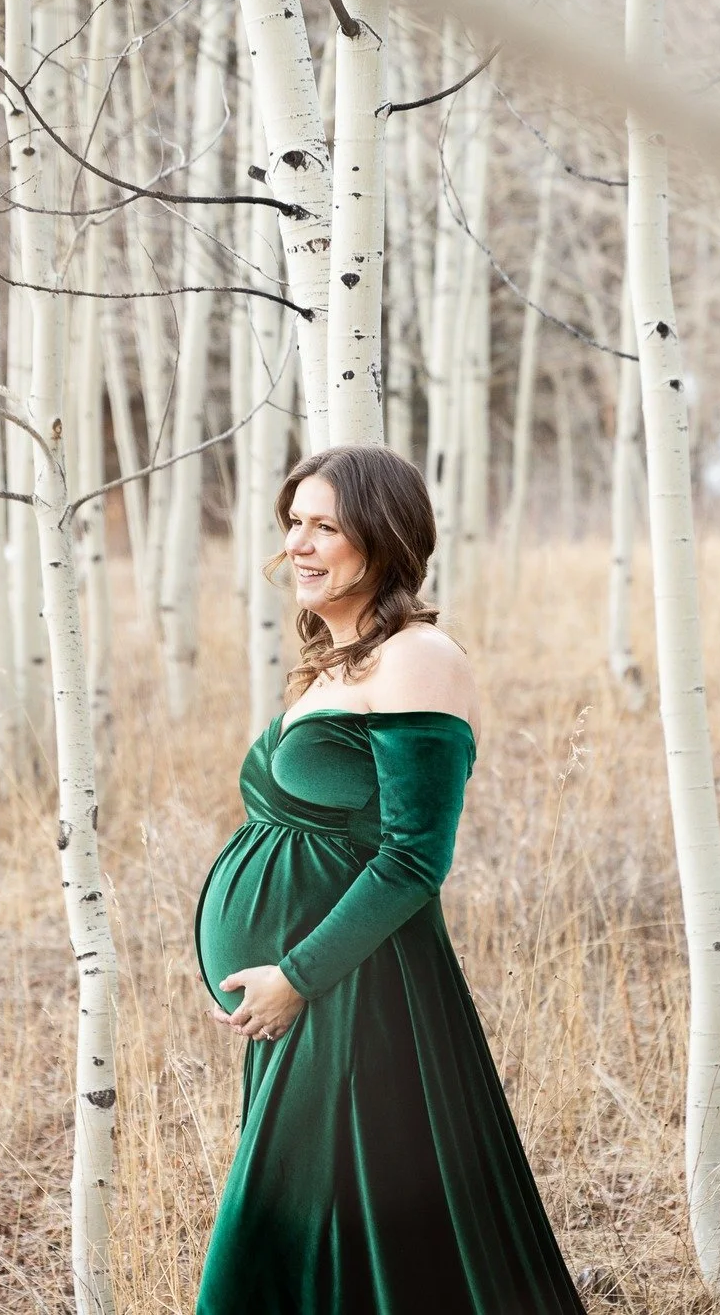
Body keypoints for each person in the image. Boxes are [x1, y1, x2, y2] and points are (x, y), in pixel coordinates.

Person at [192, 445, 588, 1313]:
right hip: (316, 999)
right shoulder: (339, 662)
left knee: (313, 1233)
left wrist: (296, 976)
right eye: (293, 522)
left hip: (358, 993)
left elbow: (414, 857)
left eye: (325, 525)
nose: (299, 543)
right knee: (344, 1237)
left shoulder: (419, 658)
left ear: (384, 533)